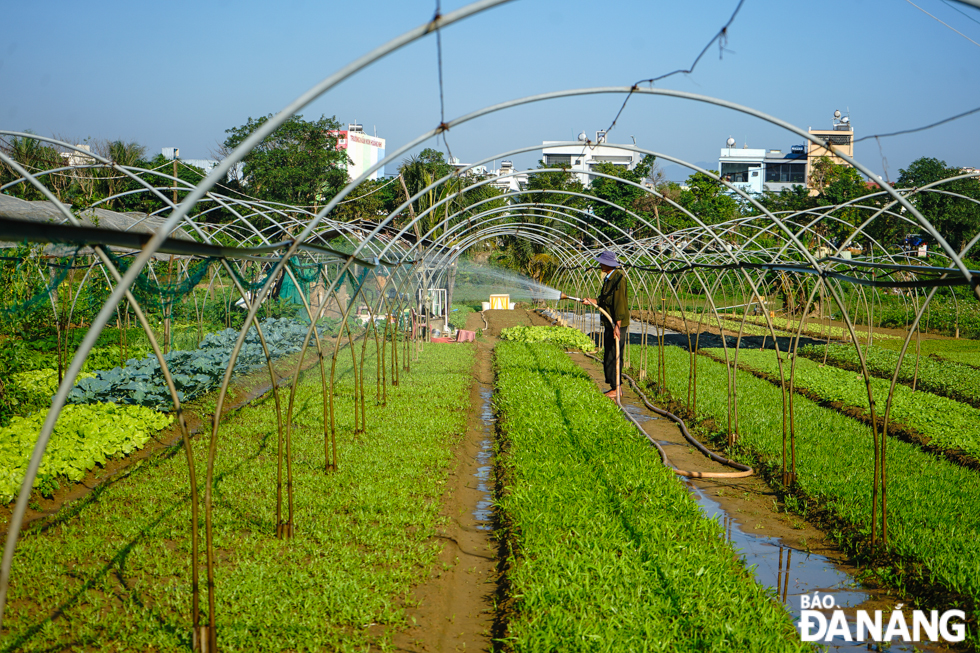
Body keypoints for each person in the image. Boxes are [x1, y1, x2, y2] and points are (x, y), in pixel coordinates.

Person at [582, 251, 630, 400]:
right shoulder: (608, 279)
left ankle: (617, 389)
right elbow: (604, 300)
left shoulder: (618, 279)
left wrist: (618, 325)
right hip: (610, 322)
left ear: (609, 264)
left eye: (602, 262)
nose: (600, 264)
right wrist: (592, 301)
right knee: (609, 354)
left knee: (615, 355)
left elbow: (620, 304)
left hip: (617, 323)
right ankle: (614, 387)